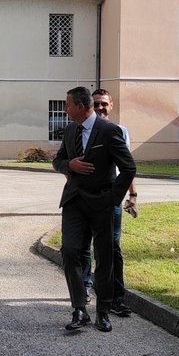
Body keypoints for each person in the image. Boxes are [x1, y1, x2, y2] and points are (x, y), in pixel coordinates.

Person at [53, 86, 135, 333]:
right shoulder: (70, 130)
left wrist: (113, 198)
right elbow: (57, 161)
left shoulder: (110, 131)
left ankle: (103, 312)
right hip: (74, 201)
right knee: (69, 251)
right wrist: (70, 165)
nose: (65, 110)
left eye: (67, 105)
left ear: (80, 106)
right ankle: (79, 309)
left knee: (105, 256)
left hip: (101, 203)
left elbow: (129, 167)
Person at [80, 89, 139, 317]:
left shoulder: (119, 131)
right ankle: (85, 287)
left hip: (111, 197)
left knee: (112, 248)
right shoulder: (82, 129)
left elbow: (128, 166)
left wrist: (132, 196)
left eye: (104, 104)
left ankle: (117, 298)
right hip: (86, 196)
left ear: (111, 105)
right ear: (89, 106)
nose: (100, 108)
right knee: (84, 244)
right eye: (96, 104)